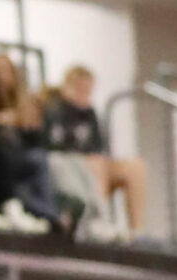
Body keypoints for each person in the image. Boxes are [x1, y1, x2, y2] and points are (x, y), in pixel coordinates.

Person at [44, 64, 146, 236]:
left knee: (135, 166)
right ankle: (98, 220)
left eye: (88, 90)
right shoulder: (53, 110)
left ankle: (137, 231)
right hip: (68, 166)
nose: (84, 95)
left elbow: (97, 147)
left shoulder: (89, 113)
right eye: (80, 89)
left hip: (91, 165)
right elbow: (52, 145)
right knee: (94, 164)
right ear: (67, 86)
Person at [0, 54, 60, 232]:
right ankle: (48, 215)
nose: (2, 77)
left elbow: (39, 142)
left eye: (6, 71)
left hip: (22, 156)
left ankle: (49, 215)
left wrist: (29, 126)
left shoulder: (26, 104)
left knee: (41, 160)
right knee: (14, 166)